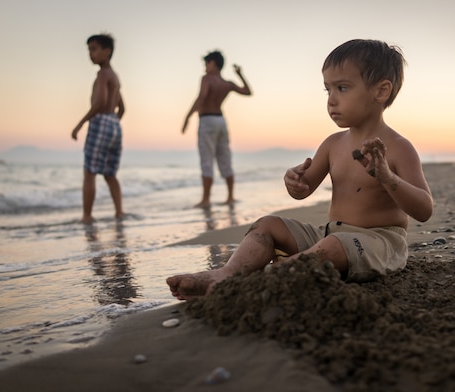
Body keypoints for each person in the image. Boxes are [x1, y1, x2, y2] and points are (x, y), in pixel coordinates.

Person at [167, 39, 433, 300]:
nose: (331, 100)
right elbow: (302, 190)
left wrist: (387, 177)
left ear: (381, 91)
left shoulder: (399, 148)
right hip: (331, 234)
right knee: (268, 224)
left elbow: (424, 209)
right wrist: (293, 181)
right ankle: (228, 273)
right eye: (327, 90)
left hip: (378, 243)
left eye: (342, 88)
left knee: (330, 247)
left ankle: (266, 278)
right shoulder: (333, 144)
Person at [181, 50, 252, 208]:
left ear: (213, 64)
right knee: (225, 158)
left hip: (207, 120)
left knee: (207, 160)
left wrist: (188, 116)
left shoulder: (207, 79)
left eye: (207, 63)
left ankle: (206, 200)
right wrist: (240, 74)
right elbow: (248, 92)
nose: (205, 67)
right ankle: (230, 197)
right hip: (221, 121)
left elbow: (201, 97)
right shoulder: (227, 84)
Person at [71, 33, 125, 224]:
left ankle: (87, 215)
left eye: (94, 49)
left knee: (90, 172)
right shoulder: (115, 77)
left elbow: (100, 102)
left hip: (101, 121)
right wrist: (112, 124)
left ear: (107, 51)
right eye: (89, 50)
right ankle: (119, 212)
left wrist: (80, 124)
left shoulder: (102, 74)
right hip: (114, 124)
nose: (90, 54)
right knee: (110, 173)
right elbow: (123, 108)